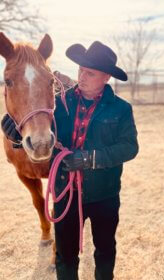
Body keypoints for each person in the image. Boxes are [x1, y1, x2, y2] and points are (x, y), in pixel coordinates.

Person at [2, 40, 139, 280]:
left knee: (105, 250)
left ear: (106, 77)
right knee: (65, 257)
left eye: (90, 73)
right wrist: (17, 137)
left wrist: (90, 158)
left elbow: (130, 148)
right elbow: (43, 138)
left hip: (104, 195)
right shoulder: (60, 105)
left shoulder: (121, 109)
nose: (81, 77)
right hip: (66, 195)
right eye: (80, 71)